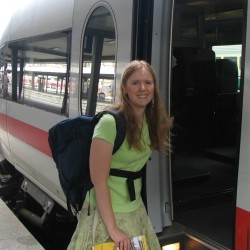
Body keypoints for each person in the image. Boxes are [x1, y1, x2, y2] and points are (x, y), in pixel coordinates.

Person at [67, 60, 172, 250]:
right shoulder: (109, 123)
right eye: (135, 83)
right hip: (107, 213)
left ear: (154, 86)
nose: (143, 88)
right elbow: (98, 180)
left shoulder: (153, 121)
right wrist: (113, 228)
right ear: (124, 88)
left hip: (135, 208)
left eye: (148, 82)